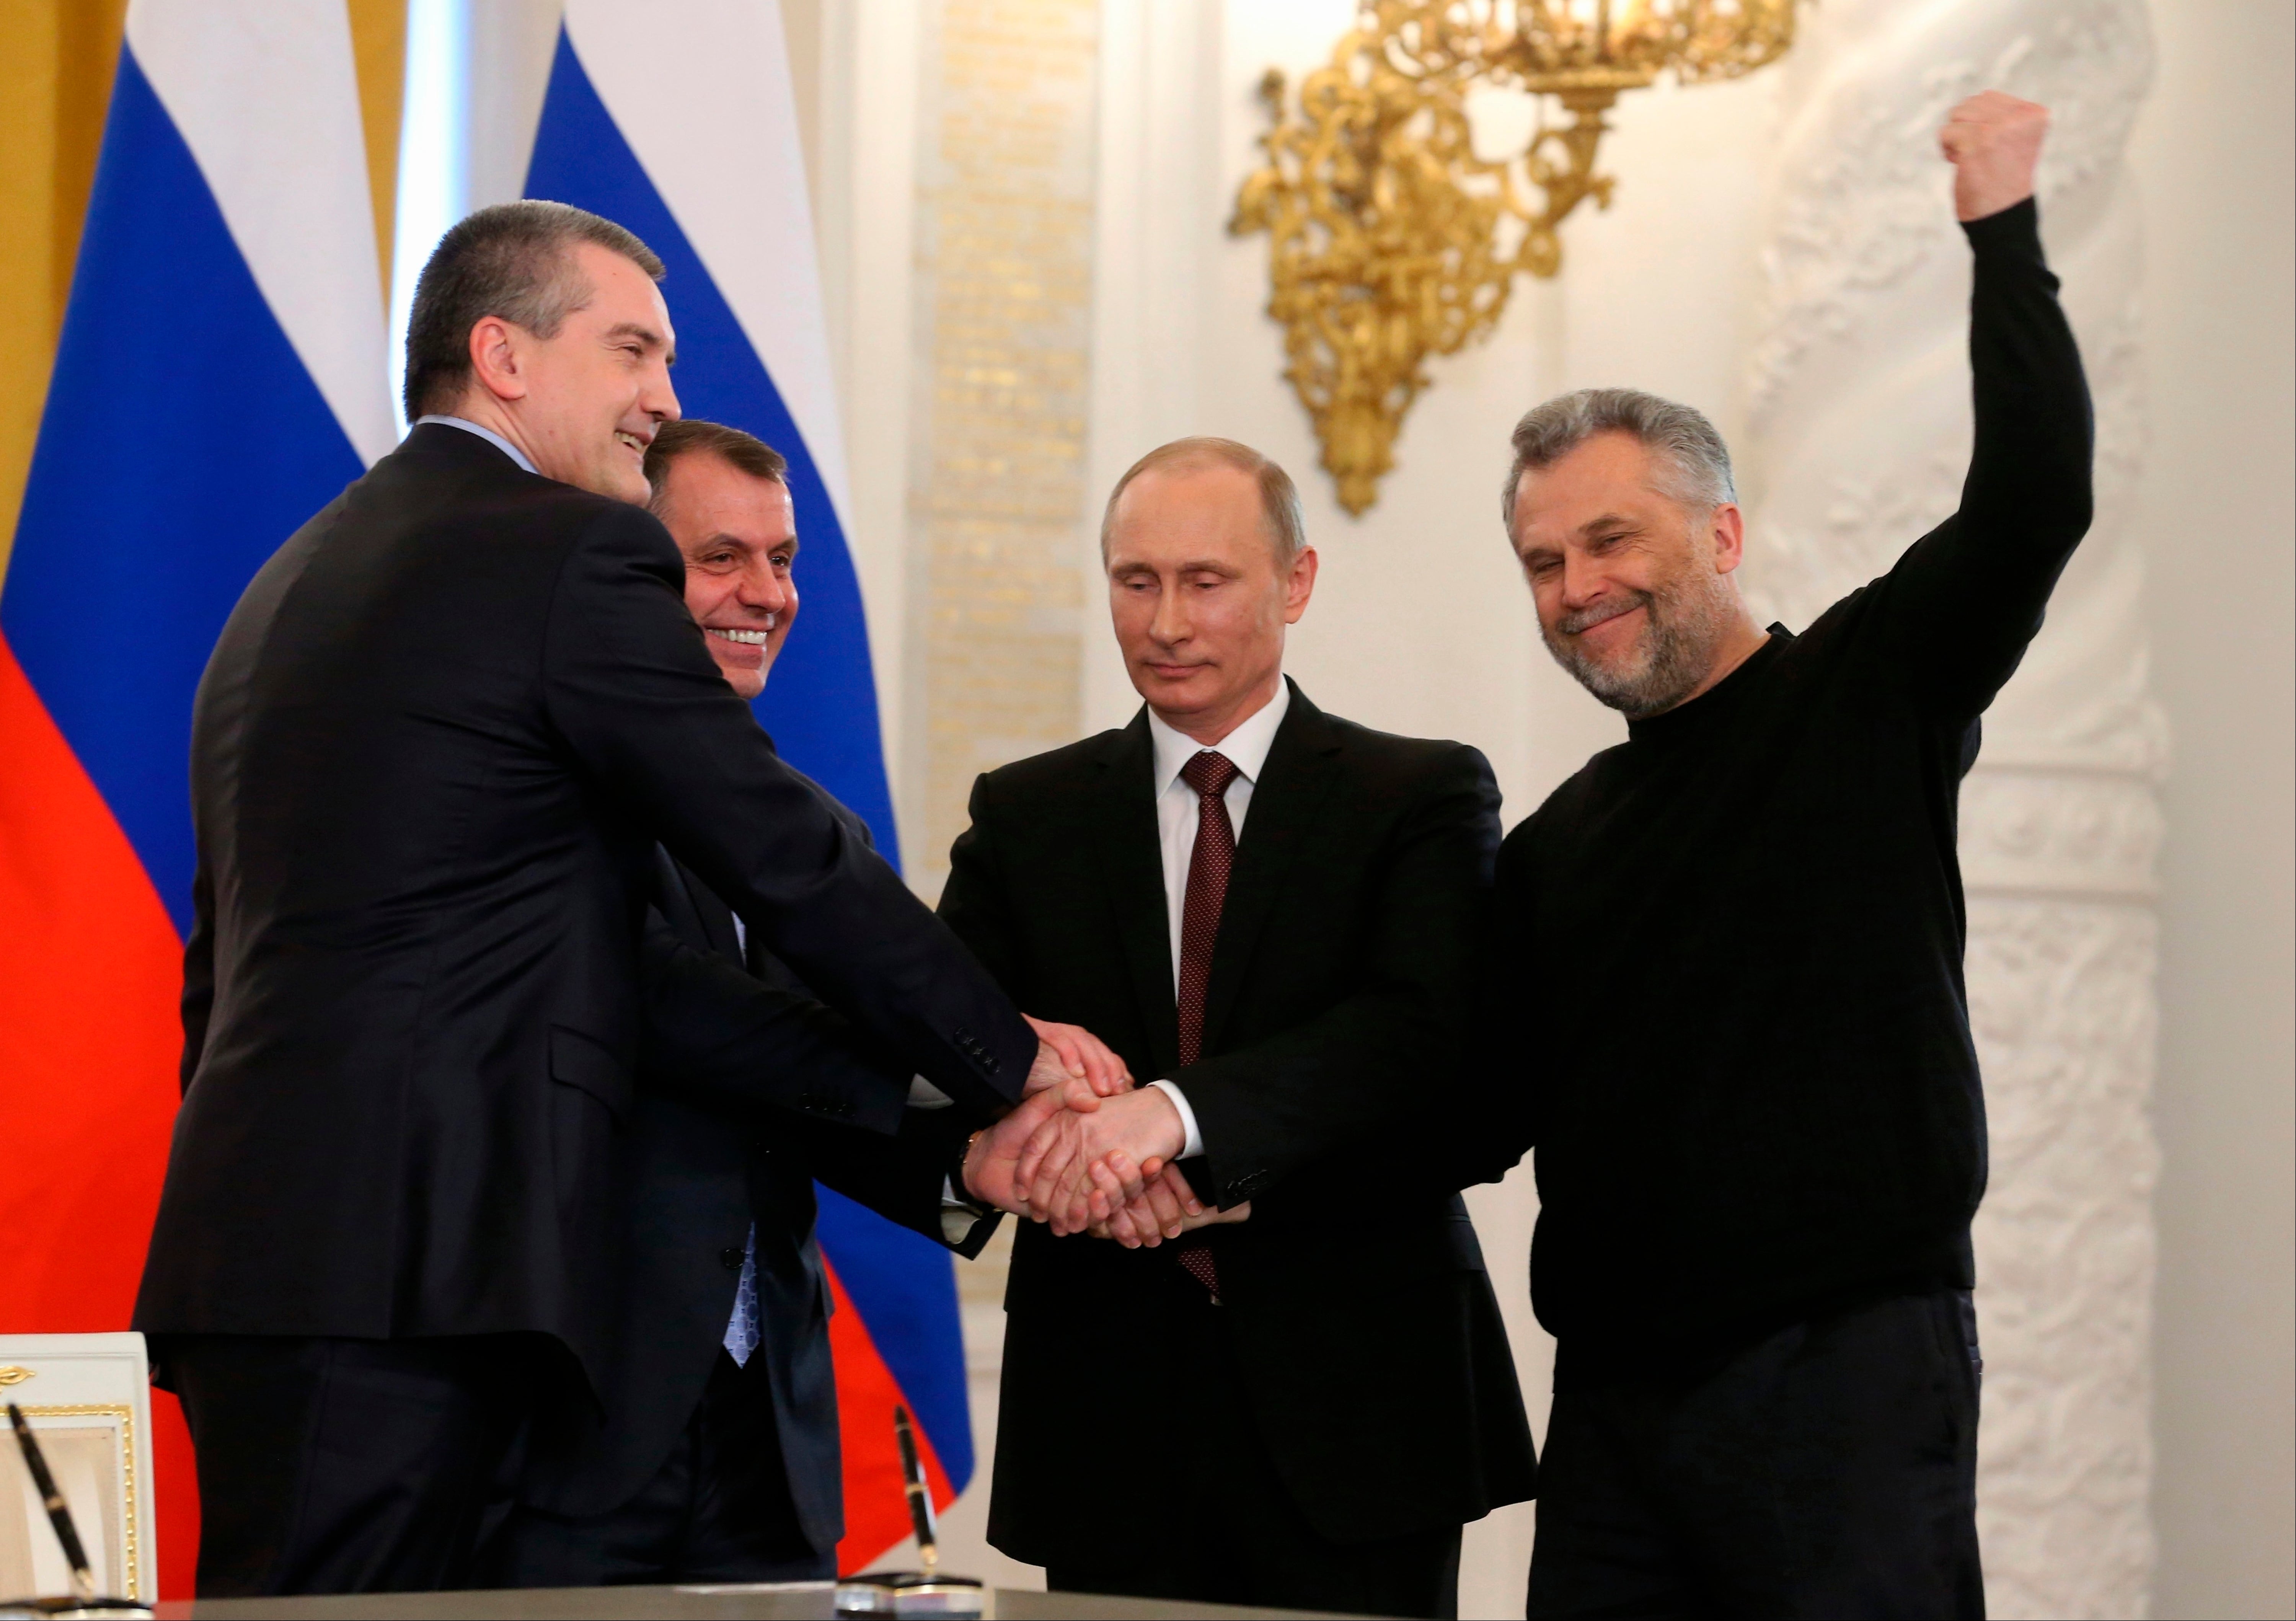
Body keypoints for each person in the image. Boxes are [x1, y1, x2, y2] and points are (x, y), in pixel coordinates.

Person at [132, 202, 1115, 1597]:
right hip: (409, 1277)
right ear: (505, 356)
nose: (665, 398)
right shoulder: (561, 550)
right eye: (636, 350)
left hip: (279, 1263)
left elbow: (222, 967)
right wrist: (1011, 1062)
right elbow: (784, 857)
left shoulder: (294, 579)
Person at [1482, 94, 2084, 1618]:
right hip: (1614, 1409)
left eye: (1612, 540)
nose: (1577, 587)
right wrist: (1200, 1146)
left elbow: (2032, 505)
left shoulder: (1869, 692)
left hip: (1847, 1387)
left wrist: (2002, 229)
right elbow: (1460, 1095)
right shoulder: (1558, 847)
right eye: (1545, 563)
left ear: (1723, 536)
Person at [484, 418, 1096, 1585]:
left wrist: (975, 1158)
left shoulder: (817, 835)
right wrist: (998, 1061)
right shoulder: (553, 806)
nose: (765, 591)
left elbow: (813, 1093)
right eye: (722, 557)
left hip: (773, 1431)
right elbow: (684, 1013)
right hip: (575, 1426)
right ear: (630, 571)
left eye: (785, 558)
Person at [937, 437, 1536, 1619]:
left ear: (1295, 584)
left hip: (1362, 1418)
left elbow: (1431, 1055)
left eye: (1205, 581)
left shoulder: (1417, 797)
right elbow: (942, 1050)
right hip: (1107, 1422)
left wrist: (1182, 1132)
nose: (1164, 620)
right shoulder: (1026, 815)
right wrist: (1058, 1134)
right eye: (1134, 579)